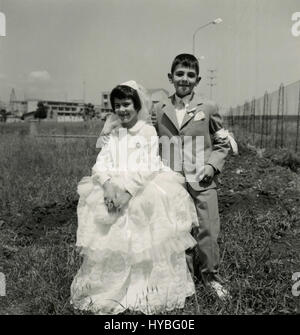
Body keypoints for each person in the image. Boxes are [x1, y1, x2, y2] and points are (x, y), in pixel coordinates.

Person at [70, 80, 198, 315]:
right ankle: (113, 290)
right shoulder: (113, 132)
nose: (122, 110)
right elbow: (101, 163)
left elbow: (149, 165)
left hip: (141, 186)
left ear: (136, 105)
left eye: (127, 104)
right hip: (113, 186)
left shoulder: (147, 131)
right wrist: (107, 186)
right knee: (113, 241)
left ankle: (144, 290)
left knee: (144, 241)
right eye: (117, 105)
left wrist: (128, 192)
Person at [152, 53, 233, 300]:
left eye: (189, 75)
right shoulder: (159, 108)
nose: (184, 79)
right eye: (179, 74)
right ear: (170, 77)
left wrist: (212, 166)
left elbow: (222, 142)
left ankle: (211, 277)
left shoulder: (208, 107)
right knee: (178, 230)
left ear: (197, 80)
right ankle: (183, 279)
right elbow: (154, 141)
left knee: (208, 229)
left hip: (203, 180)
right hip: (172, 181)